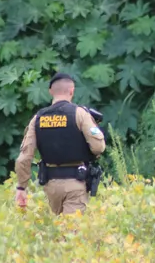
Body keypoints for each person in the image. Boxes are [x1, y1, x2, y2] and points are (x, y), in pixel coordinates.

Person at [14, 72, 106, 215]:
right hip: (76, 183)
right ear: (72, 90)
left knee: (56, 230)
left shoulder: (38, 118)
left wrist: (21, 188)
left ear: (50, 91)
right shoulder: (80, 113)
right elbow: (98, 147)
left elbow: (24, 157)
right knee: (72, 233)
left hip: (51, 186)